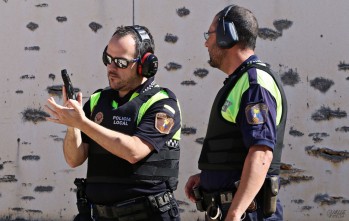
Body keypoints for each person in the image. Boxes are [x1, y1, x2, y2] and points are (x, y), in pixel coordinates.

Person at [45, 25, 182, 221]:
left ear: (146, 63)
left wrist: (82, 123)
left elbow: (134, 152)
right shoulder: (98, 100)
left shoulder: (163, 103)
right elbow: (74, 159)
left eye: (120, 62)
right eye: (107, 59)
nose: (111, 67)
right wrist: (72, 125)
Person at [184, 5, 287, 221]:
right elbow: (237, 151)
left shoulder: (254, 84)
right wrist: (210, 176)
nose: (206, 42)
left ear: (225, 35)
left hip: (247, 214)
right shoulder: (241, 81)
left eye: (209, 34)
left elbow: (261, 153)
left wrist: (235, 213)